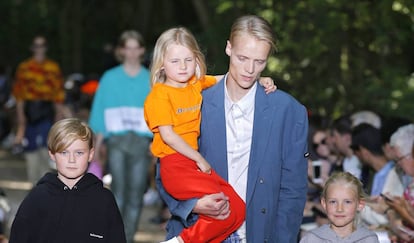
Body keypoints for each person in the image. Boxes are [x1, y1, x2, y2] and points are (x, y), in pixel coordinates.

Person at [157, 15, 309, 242]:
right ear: (228, 48)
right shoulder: (193, 104)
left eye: (259, 62)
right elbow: (166, 170)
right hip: (201, 230)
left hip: (260, 234)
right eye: (242, 58)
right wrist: (195, 204)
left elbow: (293, 190)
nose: (250, 69)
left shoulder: (289, 112)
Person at [144, 27, 275, 243]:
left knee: (237, 210)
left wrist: (258, 80)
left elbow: (226, 78)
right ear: (161, 64)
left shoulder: (195, 85)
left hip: (192, 164)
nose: (183, 66)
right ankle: (179, 241)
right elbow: (168, 136)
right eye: (175, 61)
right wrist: (199, 159)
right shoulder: (159, 96)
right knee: (223, 210)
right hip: (175, 164)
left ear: (196, 59)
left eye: (188, 59)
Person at [8, 118, 126, 243]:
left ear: (91, 154)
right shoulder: (37, 198)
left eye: (79, 153)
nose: (71, 160)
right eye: (64, 152)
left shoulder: (104, 200)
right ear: (52, 154)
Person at [88, 30, 152, 243]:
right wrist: (96, 146)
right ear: (122, 50)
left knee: (136, 195)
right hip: (117, 142)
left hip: (142, 143)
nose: (132, 52)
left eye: (136, 47)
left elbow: (158, 113)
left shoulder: (150, 79)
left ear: (142, 50)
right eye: (128, 47)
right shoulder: (110, 78)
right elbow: (99, 112)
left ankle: (128, 238)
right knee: (118, 193)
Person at [12, 35, 67, 185]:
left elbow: (58, 94)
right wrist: (21, 115)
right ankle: (33, 183)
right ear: (32, 48)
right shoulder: (24, 67)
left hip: (46, 109)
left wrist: (59, 114)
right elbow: (19, 94)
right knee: (30, 147)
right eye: (36, 45)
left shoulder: (53, 67)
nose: (39, 49)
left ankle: (45, 183)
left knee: (47, 145)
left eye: (42, 45)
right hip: (30, 109)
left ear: (46, 48)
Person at [300, 172, 380, 243]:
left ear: (360, 204)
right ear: (324, 204)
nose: (339, 209)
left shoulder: (369, 239)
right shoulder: (311, 239)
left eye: (347, 202)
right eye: (333, 202)